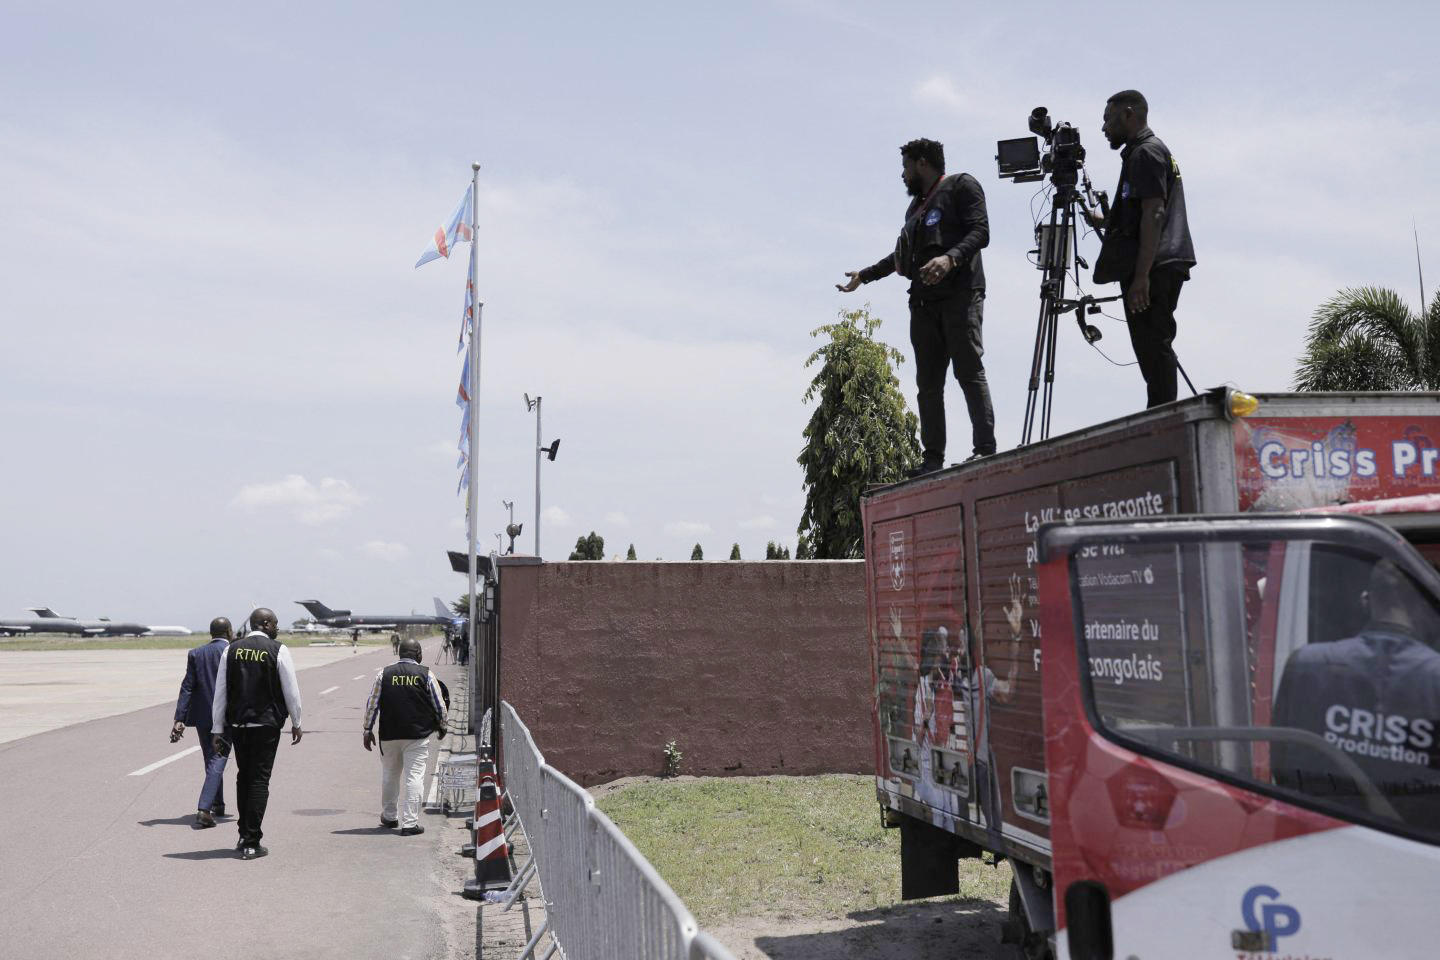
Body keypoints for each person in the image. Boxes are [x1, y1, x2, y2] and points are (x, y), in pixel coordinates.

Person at [839, 138, 995, 474]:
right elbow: (900, 258)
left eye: (905, 167)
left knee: (968, 371)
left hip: (960, 296)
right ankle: (932, 461)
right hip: (923, 304)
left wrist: (950, 259)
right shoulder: (915, 210)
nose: (902, 175)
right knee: (928, 385)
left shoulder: (961, 186)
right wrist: (865, 276)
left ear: (922, 163)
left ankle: (985, 449)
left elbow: (981, 232)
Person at [1271, 560, 1440, 833]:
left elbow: (1280, 762)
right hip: (1418, 846)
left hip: (1315, 837)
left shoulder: (1307, 663)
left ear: (1365, 600)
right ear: (1424, 607)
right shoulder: (1435, 678)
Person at [1084, 90, 1196, 408]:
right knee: (1151, 346)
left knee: (1153, 345)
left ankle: (1162, 417)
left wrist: (1141, 277)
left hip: (1156, 264)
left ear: (1128, 114)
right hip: (1160, 260)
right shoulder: (1144, 152)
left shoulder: (1146, 152)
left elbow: (1155, 214)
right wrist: (1106, 221)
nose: (1104, 128)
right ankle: (1161, 412)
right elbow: (1142, 212)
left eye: (1108, 119)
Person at [211, 607, 303, 860]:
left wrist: (217, 728)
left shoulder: (231, 649)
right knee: (259, 781)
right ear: (265, 624)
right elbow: (291, 690)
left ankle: (243, 834)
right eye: (275, 623)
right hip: (266, 725)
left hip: (239, 726)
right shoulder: (278, 650)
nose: (277, 628)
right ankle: (252, 841)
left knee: (244, 778)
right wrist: (297, 721)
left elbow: (221, 691)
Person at [363, 638, 448, 835]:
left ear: (400, 653)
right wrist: (443, 726)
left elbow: (372, 705)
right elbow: (439, 705)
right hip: (417, 736)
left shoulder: (384, 674)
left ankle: (389, 816)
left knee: (390, 775)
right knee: (414, 776)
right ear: (418, 654)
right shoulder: (426, 674)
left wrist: (367, 730)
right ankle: (410, 823)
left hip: (389, 735)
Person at [170, 617, 233, 828]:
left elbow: (187, 686)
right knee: (219, 758)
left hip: (202, 716)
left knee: (210, 758)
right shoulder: (232, 652)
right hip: (225, 716)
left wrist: (179, 718)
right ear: (229, 631)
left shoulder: (196, 653)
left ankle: (218, 803)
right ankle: (204, 809)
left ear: (211, 633)